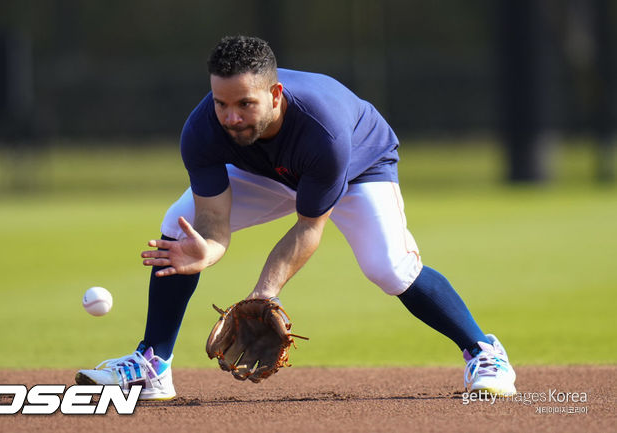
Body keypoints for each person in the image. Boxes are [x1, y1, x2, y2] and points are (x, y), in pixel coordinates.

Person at [75, 35, 516, 399]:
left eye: (245, 104)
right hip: (267, 170)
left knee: (389, 268)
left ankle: (483, 351)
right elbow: (212, 223)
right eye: (221, 103)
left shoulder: (323, 131)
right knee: (178, 223)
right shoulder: (202, 130)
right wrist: (206, 249)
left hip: (360, 166)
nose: (231, 117)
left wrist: (264, 294)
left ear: (275, 93)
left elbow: (309, 227)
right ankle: (153, 364)